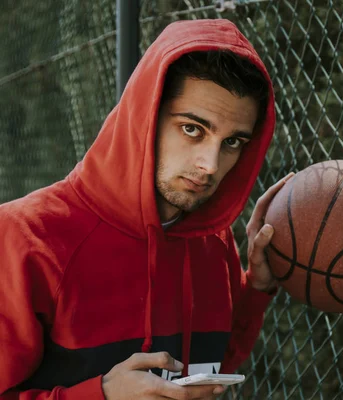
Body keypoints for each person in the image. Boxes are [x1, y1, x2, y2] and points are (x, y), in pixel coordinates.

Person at [0, 19, 292, 399]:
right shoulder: (23, 237)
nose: (210, 164)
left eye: (233, 142)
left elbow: (212, 368)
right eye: (192, 129)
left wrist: (258, 287)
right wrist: (100, 395)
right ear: (145, 115)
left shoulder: (212, 243)